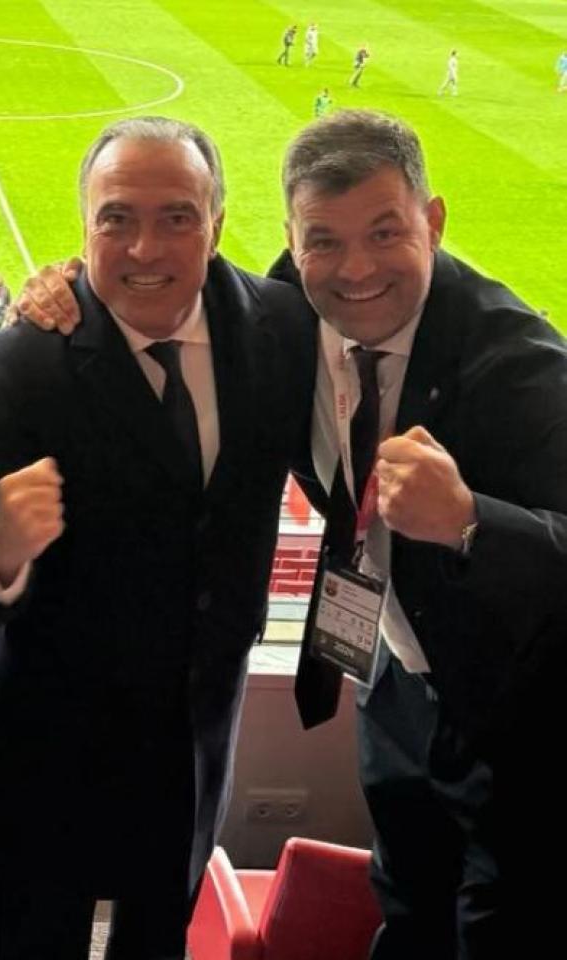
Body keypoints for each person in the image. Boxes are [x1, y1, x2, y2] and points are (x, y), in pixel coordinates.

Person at [0, 117, 315, 959]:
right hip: (52, 739)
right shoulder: (22, 365)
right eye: (116, 218)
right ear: (84, 227)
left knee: (159, 940)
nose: (144, 248)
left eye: (176, 217)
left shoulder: (282, 331)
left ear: (217, 224)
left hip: (194, 731)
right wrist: (4, 549)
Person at [274, 109, 567, 958]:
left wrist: (472, 522)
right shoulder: (281, 312)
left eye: (385, 232)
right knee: (406, 905)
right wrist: (65, 291)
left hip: (525, 713)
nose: (356, 269)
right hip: (396, 682)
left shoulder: (522, 368)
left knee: (506, 926)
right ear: (292, 241)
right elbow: (162, 293)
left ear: (433, 221)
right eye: (324, 241)